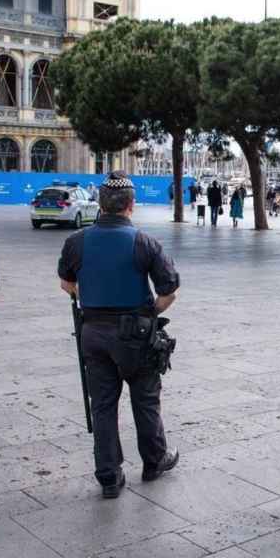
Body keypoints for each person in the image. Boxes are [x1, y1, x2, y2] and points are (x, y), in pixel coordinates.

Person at [57, 171, 181, 498]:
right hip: (135, 336)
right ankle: (154, 460)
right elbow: (170, 290)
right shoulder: (144, 242)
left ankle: (109, 475)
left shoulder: (77, 242)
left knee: (102, 404)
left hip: (93, 332)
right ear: (130, 205)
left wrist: (90, 293)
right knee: (146, 399)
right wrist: (148, 314)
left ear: (101, 204)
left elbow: (66, 283)